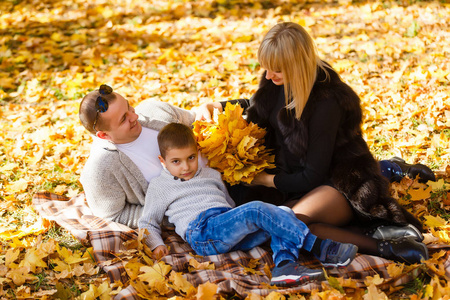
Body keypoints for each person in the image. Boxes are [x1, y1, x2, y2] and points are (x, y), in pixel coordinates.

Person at [197, 22, 433, 264]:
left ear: (297, 65)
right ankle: (385, 175)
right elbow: (258, 105)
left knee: (287, 222)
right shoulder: (277, 80)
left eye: (276, 69)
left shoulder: (326, 102)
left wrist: (265, 180)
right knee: (278, 226)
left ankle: (387, 246)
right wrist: (218, 105)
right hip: (296, 181)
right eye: (265, 68)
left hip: (339, 182)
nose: (268, 75)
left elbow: (313, 174)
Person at [138, 123, 358, 287]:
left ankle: (284, 267)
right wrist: (156, 244)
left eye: (191, 158)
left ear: (197, 152)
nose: (186, 167)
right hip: (202, 232)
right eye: (176, 162)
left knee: (282, 214)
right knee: (255, 210)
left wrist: (245, 219)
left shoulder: (212, 174)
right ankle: (318, 246)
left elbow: (229, 205)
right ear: (162, 161)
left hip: (227, 227)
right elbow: (148, 220)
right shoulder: (160, 186)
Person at [78, 84, 199, 228]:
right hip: (198, 210)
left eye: (129, 107)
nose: (135, 116)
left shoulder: (154, 111)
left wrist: (210, 108)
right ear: (104, 135)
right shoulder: (100, 169)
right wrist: (167, 215)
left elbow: (194, 119)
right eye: (123, 119)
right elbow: (114, 215)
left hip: (224, 171)